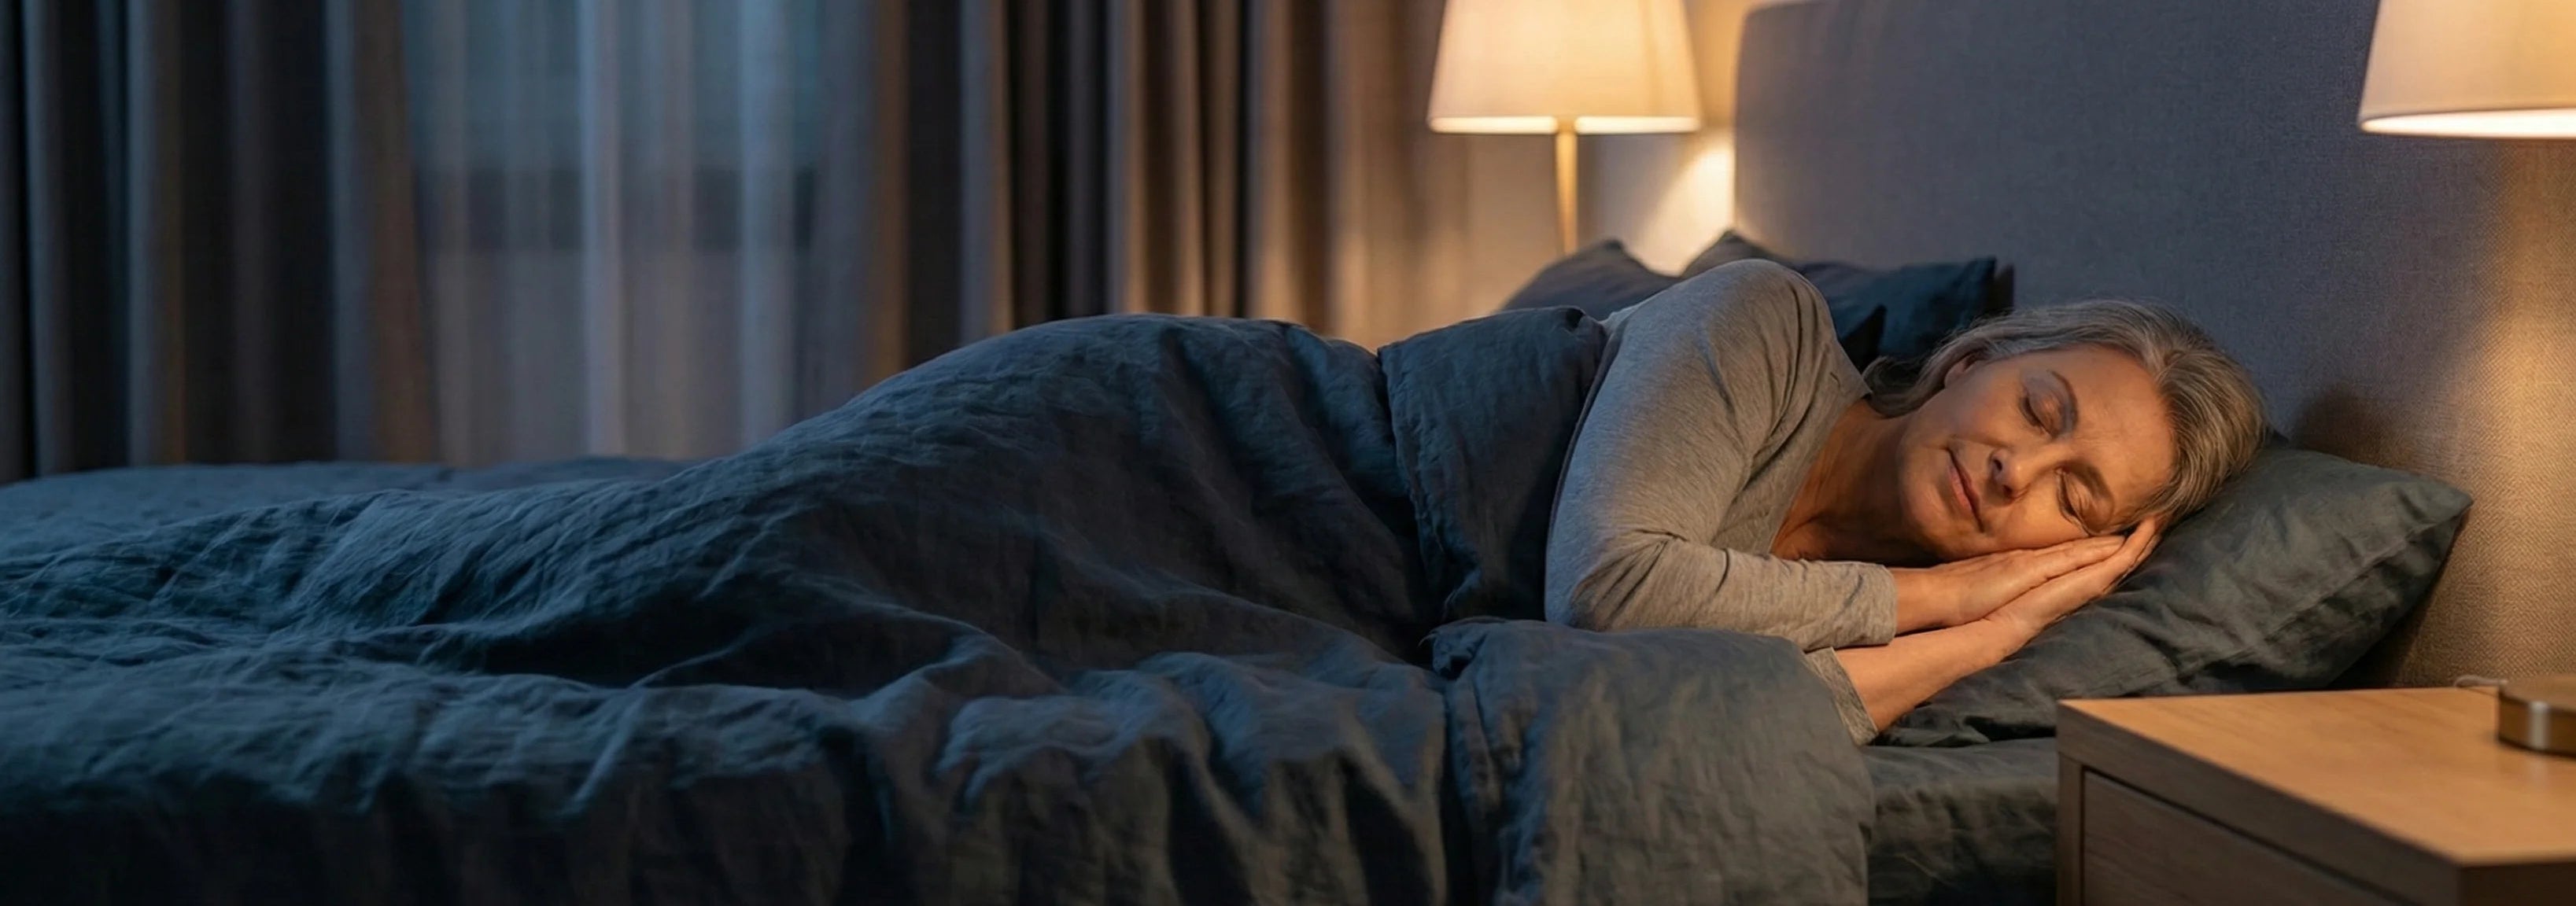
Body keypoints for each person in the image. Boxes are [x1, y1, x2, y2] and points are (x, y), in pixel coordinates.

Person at [1545, 260, 2268, 744]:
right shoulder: (1763, 318)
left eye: (2072, 496)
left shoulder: (1909, 634)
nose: (2015, 471)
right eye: (2038, 412)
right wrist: (1938, 595)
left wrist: (1989, 636)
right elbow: (1607, 594)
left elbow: (1713, 725)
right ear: (1969, 362)